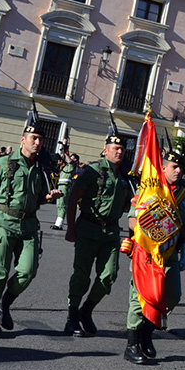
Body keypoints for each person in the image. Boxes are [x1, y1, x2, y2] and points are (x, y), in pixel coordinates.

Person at [0, 116, 61, 337]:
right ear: (22, 139)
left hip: (28, 226)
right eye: (34, 138)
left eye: (41, 139)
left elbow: (39, 198)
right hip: (4, 223)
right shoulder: (3, 163)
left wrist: (49, 197)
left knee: (28, 271)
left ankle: (6, 302)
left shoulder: (40, 168)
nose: (38, 143)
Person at [124, 144, 185, 365]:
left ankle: (146, 332)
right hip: (147, 253)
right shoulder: (148, 189)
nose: (178, 171)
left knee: (172, 296)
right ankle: (131, 344)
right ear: (162, 168)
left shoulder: (182, 193)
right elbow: (133, 220)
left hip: (169, 253)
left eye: (180, 167)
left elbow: (184, 223)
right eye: (174, 167)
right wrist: (150, 234)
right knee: (139, 298)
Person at [63, 128, 132, 337]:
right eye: (115, 148)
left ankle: (86, 311)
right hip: (88, 228)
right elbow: (73, 198)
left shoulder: (125, 176)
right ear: (106, 150)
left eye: (121, 149)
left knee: (108, 275)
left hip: (110, 232)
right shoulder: (92, 170)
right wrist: (71, 228)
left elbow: (131, 205)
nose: (119, 152)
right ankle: (72, 317)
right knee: (81, 276)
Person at [51, 153, 79, 231]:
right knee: (59, 204)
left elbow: (70, 161)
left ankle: (59, 224)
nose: (69, 158)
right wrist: (59, 163)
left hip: (66, 186)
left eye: (72, 157)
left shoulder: (72, 165)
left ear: (75, 159)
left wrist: (66, 154)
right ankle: (58, 222)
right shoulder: (65, 166)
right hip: (60, 185)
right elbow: (57, 173)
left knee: (62, 204)